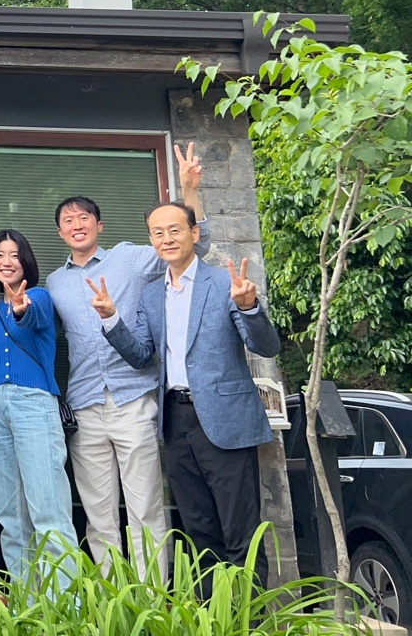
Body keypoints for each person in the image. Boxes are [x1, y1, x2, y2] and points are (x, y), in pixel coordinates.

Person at [0, 142, 209, 582]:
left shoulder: (130, 257)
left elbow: (190, 247)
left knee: (144, 510)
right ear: (60, 233)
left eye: (84, 217)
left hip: (133, 397)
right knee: (99, 517)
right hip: (85, 405)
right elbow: (32, 316)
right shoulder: (55, 283)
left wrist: (190, 193)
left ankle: (151, 600)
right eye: (68, 221)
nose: (77, 225)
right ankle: (108, 604)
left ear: (99, 225)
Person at [89, 200, 281, 573]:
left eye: (175, 230)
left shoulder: (224, 283)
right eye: (158, 233)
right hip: (177, 420)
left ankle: (248, 609)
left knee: (240, 529)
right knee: (199, 530)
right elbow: (141, 355)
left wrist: (249, 308)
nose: (167, 239)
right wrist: (111, 319)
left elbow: (267, 346)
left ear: (194, 233)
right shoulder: (150, 294)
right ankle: (210, 606)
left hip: (226, 421)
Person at [0, 230, 76, 588]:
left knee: (49, 511)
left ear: (26, 261)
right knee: (11, 518)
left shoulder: (41, 297)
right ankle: (26, 603)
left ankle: (65, 605)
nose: (6, 262)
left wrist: (21, 308)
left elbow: (33, 316)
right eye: (0, 255)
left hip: (34, 404)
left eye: (14, 255)